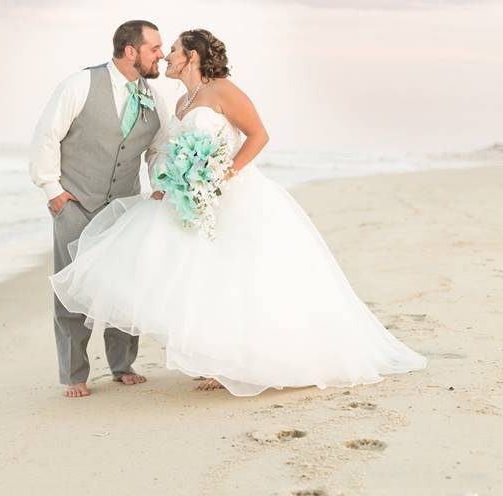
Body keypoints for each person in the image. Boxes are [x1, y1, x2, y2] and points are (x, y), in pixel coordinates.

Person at [50, 28, 427, 396]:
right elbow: (167, 151)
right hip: (193, 197)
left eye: (174, 49)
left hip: (234, 196)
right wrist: (172, 182)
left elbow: (259, 135)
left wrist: (223, 174)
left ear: (191, 56)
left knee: (240, 276)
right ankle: (217, 358)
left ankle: (238, 361)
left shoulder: (223, 91)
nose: (166, 56)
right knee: (204, 279)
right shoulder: (180, 103)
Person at [30, 20, 170, 398]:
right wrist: (52, 190)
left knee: (126, 287)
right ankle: (74, 373)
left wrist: (160, 185)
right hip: (76, 202)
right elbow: (47, 135)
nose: (161, 54)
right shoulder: (79, 85)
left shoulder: (154, 98)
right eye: (155, 48)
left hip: (126, 207)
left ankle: (122, 364)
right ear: (130, 51)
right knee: (72, 288)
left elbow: (159, 149)